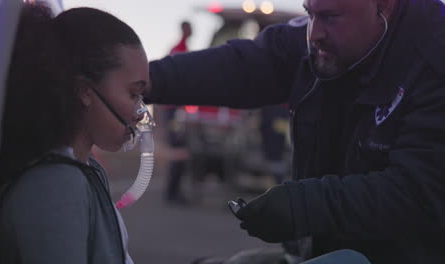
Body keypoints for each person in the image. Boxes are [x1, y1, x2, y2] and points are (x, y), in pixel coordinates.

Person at [145, 0, 445, 262]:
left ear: (384, 4)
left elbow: (420, 191)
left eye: (330, 17)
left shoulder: (434, 57)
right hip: (329, 252)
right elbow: (245, 65)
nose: (315, 34)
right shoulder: (316, 42)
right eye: (310, 14)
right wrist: (143, 81)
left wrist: (303, 206)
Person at [0, 3, 149, 264]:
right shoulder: (53, 184)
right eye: (133, 94)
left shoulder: (86, 170)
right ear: (84, 90)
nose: (140, 112)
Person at [163, 21, 193, 204]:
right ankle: (172, 192)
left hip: (177, 110)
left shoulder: (183, 48)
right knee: (178, 151)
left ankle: (174, 191)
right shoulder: (179, 50)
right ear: (184, 30)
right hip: (174, 112)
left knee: (180, 151)